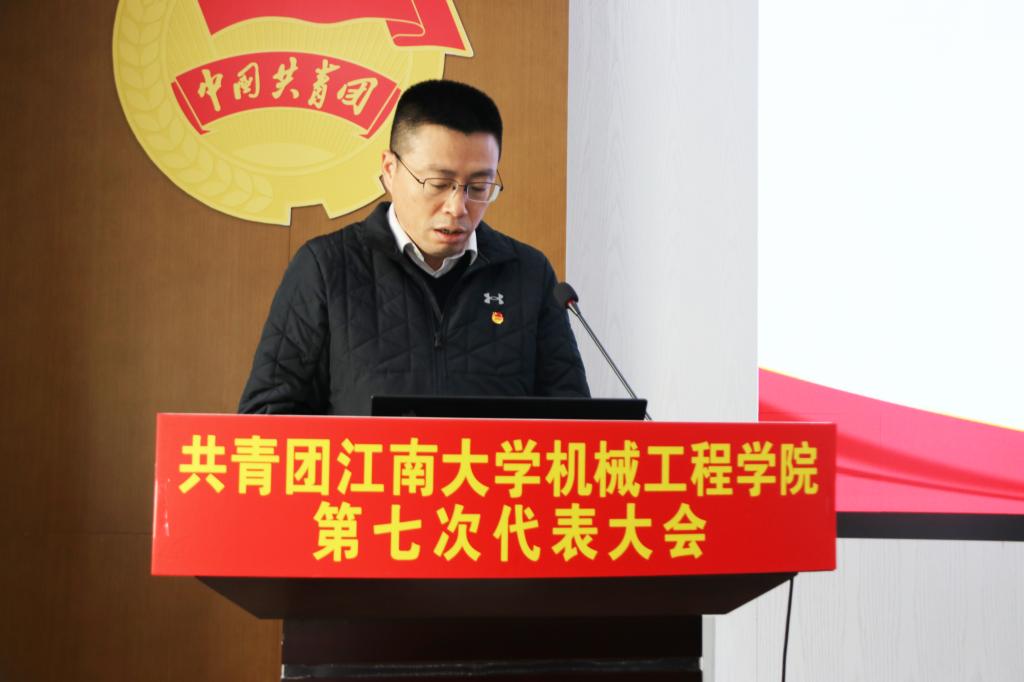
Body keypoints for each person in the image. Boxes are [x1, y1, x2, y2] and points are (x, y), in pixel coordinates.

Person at [239, 79, 589, 415]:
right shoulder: (326, 269)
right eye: (438, 183)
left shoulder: (528, 275)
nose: (457, 207)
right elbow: (266, 420)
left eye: (479, 187)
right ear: (390, 170)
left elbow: (576, 427)